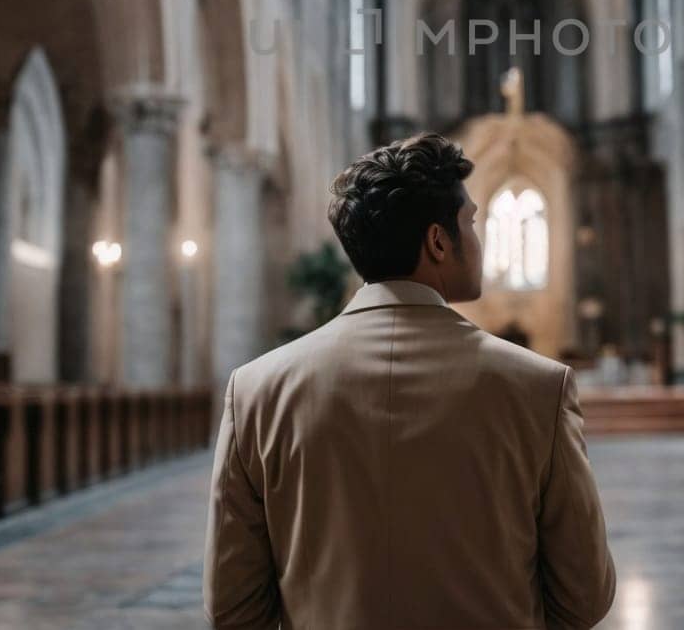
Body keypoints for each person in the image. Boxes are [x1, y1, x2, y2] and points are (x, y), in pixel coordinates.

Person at [203, 132, 616, 629]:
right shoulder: (539, 388)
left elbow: (232, 608)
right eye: (472, 224)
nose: (479, 241)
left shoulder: (255, 391)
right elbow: (584, 596)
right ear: (438, 242)